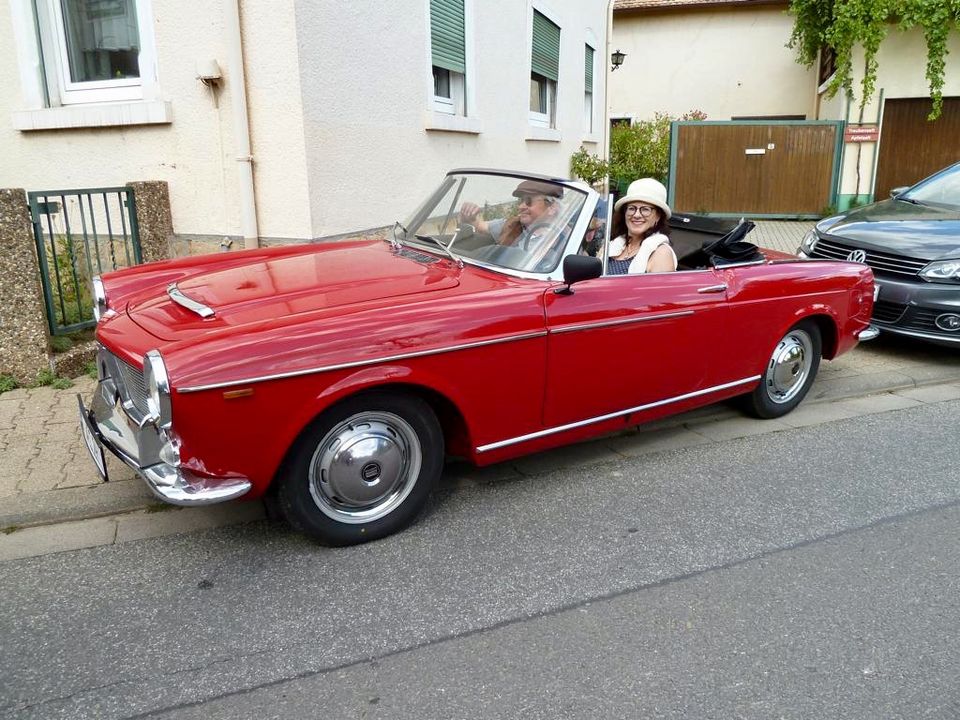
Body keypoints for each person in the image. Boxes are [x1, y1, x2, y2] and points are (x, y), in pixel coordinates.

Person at [458, 180, 563, 251]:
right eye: (521, 200)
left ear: (552, 208)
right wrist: (468, 213)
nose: (521, 206)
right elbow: (479, 226)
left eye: (528, 201)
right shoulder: (512, 225)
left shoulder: (566, 239)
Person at [606, 178, 677, 274]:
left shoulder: (661, 253)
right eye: (631, 208)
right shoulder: (611, 245)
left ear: (658, 216)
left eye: (645, 209)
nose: (636, 215)